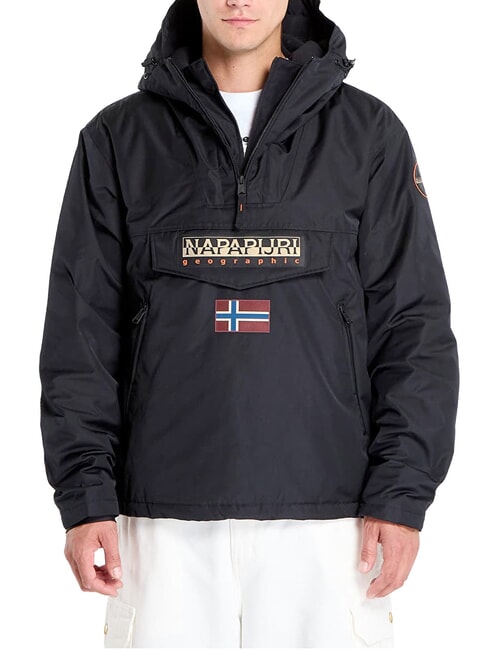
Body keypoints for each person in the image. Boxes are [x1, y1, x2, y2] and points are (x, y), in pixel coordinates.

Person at [38, 0, 459, 647]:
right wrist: (85, 497)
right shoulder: (118, 139)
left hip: (331, 521)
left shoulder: (368, 134)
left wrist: (400, 497)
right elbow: (81, 334)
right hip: (160, 523)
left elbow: (412, 328)